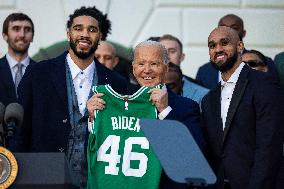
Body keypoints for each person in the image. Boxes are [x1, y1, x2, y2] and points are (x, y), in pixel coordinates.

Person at [12, 6, 127, 188]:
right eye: (78, 28)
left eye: (92, 29)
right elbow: (20, 132)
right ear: (68, 34)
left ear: (100, 37)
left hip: (96, 181)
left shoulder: (117, 83)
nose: (84, 34)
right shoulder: (38, 73)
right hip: (44, 179)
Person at [87, 40, 204, 189]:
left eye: (154, 64)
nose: (147, 70)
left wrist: (165, 112)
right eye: (141, 64)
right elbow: (92, 154)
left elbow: (192, 158)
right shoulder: (116, 104)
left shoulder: (186, 107)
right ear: (134, 68)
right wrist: (93, 120)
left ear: (166, 67)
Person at [201, 26, 284, 189]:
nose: (218, 49)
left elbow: (268, 147)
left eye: (224, 43)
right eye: (212, 45)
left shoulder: (264, 84)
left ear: (240, 46)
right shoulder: (208, 99)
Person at [196, 14, 278, 89]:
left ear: (243, 33)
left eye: (234, 28)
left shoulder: (264, 62)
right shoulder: (204, 71)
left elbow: (274, 94)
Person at [158, 34, 209, 105]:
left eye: (172, 51)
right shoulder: (142, 93)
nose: (167, 57)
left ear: (182, 57)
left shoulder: (204, 95)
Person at [0, 13, 36, 106]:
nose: (22, 35)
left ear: (32, 37)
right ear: (5, 35)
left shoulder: (42, 72)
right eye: (16, 29)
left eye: (27, 30)